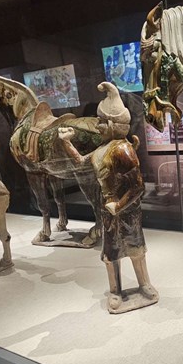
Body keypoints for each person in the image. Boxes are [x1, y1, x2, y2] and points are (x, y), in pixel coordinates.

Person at [58, 82, 158, 312]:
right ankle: (115, 291)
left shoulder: (123, 150)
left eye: (101, 121)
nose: (98, 126)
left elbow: (138, 187)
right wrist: (66, 142)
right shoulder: (103, 149)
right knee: (111, 252)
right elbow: (81, 161)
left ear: (113, 124)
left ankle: (145, 284)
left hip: (126, 210)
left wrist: (119, 205)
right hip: (108, 208)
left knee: (135, 248)